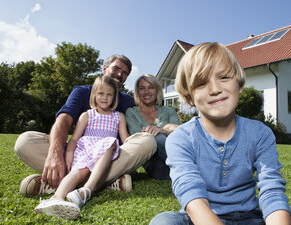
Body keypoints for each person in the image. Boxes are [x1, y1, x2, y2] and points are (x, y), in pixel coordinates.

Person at [149, 42, 291, 225]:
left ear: (239, 85)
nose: (215, 89)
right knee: (164, 221)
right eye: (201, 83)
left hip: (252, 219)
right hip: (200, 219)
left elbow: (271, 189)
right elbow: (191, 195)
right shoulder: (180, 138)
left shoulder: (259, 133)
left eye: (224, 77)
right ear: (190, 97)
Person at [15, 54, 156, 196]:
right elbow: (64, 120)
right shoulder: (82, 92)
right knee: (25, 141)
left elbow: (147, 117)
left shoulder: (129, 101)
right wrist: (55, 153)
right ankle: (106, 181)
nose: (120, 74)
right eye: (116, 68)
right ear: (105, 68)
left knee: (147, 141)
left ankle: (61, 183)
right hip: (80, 155)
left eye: (125, 73)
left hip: (111, 158)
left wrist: (160, 127)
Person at [34, 76, 129, 219]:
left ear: (114, 97)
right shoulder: (86, 115)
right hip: (86, 148)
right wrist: (69, 155)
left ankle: (85, 191)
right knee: (78, 172)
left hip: (105, 152)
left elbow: (126, 139)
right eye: (101, 93)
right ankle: (56, 198)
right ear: (94, 95)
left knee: (110, 142)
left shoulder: (118, 116)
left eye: (109, 94)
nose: (105, 98)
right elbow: (74, 139)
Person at [125, 74, 180, 179]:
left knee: (159, 136)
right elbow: (138, 140)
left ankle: (184, 169)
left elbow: (180, 134)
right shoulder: (131, 112)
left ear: (157, 91)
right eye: (142, 88)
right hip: (151, 161)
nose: (146, 92)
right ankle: (188, 168)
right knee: (156, 138)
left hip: (171, 155)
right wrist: (161, 132)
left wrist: (162, 130)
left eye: (151, 87)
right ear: (137, 92)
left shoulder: (169, 111)